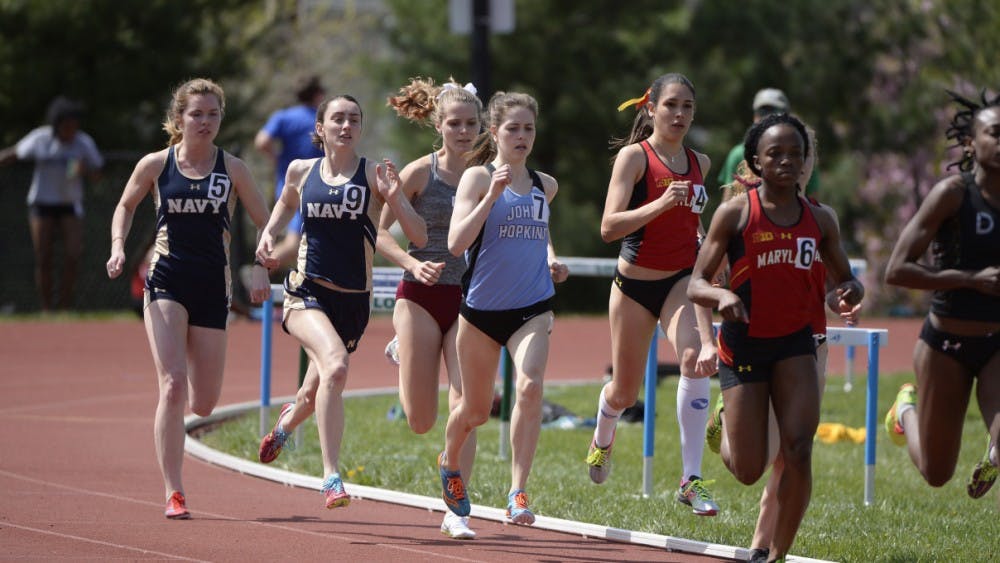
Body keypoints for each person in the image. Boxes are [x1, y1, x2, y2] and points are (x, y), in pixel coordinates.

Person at [688, 112, 863, 563]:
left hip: (796, 344)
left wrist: (847, 294)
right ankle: (728, 418)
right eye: (775, 154)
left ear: (806, 162)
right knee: (748, 470)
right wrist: (722, 295)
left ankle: (778, 554)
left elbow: (845, 278)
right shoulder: (735, 213)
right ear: (756, 161)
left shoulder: (820, 220)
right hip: (744, 345)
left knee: (799, 450)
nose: (787, 161)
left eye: (796, 154)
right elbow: (696, 284)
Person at [105, 78, 273, 519]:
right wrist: (119, 246)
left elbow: (267, 222)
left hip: (212, 288)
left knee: (203, 403)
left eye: (213, 114)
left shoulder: (233, 168)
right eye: (196, 114)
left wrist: (260, 263)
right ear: (179, 119)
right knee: (173, 384)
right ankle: (173, 491)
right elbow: (125, 205)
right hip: (166, 279)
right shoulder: (157, 165)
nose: (205, 122)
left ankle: (178, 471)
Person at [253, 94, 426, 511]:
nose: (346, 125)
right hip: (307, 293)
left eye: (354, 119)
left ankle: (286, 424)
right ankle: (332, 476)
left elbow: (417, 236)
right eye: (337, 119)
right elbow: (285, 202)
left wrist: (397, 197)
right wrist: (269, 234)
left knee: (316, 391)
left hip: (354, 302)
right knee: (336, 366)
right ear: (321, 128)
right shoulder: (301, 170)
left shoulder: (373, 175)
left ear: (360, 129)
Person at [584, 73, 721, 516]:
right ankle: (604, 430)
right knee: (625, 392)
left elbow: (695, 222)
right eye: (671, 106)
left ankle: (690, 479)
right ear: (651, 109)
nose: (679, 114)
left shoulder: (702, 161)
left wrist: (706, 251)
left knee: (695, 359)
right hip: (634, 287)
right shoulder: (634, 159)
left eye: (687, 107)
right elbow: (608, 228)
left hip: (680, 280)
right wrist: (661, 204)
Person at [437, 91, 569, 526]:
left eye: (529, 128)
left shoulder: (545, 186)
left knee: (530, 388)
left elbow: (536, 231)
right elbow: (456, 243)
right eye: (513, 128)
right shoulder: (477, 179)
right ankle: (450, 460)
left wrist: (550, 256)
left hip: (532, 307)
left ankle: (517, 492)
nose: (522, 136)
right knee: (475, 410)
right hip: (480, 312)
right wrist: (491, 197)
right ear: (494, 132)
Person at [883, 89, 1000, 501]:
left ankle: (995, 451)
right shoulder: (953, 194)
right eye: (995, 133)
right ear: (971, 142)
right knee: (936, 472)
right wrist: (971, 279)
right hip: (947, 344)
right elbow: (896, 270)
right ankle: (905, 411)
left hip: (997, 343)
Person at [378, 77, 482, 538]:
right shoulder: (421, 172)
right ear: (438, 125)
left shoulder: (489, 172)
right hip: (420, 295)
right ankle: (404, 347)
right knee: (421, 420)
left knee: (470, 406)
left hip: (471, 299)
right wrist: (410, 264)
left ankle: (456, 507)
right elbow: (381, 235)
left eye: (471, 124)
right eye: (454, 123)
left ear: (483, 126)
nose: (463, 131)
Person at [0, 96, 104, 311]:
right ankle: (47, 309)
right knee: (44, 256)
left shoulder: (82, 142)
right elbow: (15, 153)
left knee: (73, 255)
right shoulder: (41, 138)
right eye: (67, 125)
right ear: (57, 124)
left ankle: (65, 307)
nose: (71, 130)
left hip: (70, 204)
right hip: (42, 204)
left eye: (75, 125)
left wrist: (85, 170)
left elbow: (97, 173)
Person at [255, 75, 326, 265]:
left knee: (304, 247)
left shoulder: (283, 117)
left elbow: (262, 141)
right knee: (294, 245)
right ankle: (259, 267)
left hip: (285, 186)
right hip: (312, 191)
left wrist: (277, 159)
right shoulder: (322, 121)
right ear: (318, 95)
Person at [717, 88, 818, 201]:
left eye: (774, 112)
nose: (767, 118)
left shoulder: (803, 152)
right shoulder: (738, 154)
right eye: (762, 112)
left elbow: (813, 200)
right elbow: (728, 199)